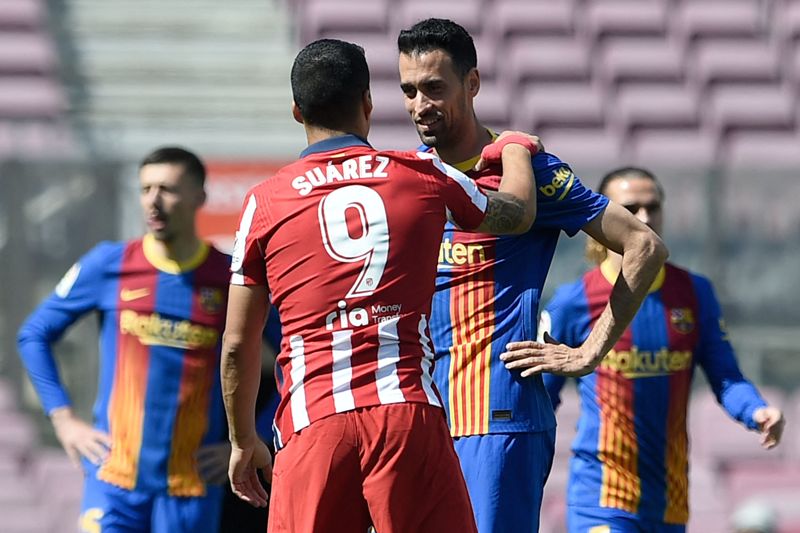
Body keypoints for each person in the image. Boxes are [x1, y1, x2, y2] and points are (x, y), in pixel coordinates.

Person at [220, 38, 543, 533]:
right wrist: (516, 149)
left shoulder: (264, 202)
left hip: (314, 422)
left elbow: (238, 345)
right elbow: (516, 215)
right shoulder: (422, 173)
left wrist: (244, 441)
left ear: (295, 110)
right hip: (406, 414)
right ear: (368, 104)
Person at [396, 18, 668, 533]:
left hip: (497, 418)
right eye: (408, 90)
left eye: (435, 88)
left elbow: (644, 245)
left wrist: (589, 351)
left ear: (471, 84)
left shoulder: (528, 171)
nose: (419, 105)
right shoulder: (411, 177)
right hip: (422, 415)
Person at [540, 166, 785, 532]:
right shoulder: (572, 302)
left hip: (669, 503)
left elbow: (726, 377)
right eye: (631, 208)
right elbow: (542, 398)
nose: (644, 217)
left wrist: (757, 411)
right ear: (604, 217)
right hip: (600, 497)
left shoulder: (694, 293)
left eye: (653, 207)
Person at [17, 147, 232, 532]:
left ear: (199, 197)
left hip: (191, 486)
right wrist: (64, 420)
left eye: (166, 189)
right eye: (145, 188)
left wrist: (252, 439)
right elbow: (34, 334)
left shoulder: (228, 278)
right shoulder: (109, 264)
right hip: (113, 479)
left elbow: (290, 352)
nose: (153, 200)